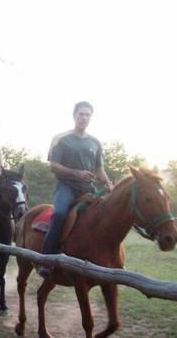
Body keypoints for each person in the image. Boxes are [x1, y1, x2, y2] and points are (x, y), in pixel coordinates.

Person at [37, 101, 113, 278]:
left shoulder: (95, 142)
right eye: (81, 114)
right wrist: (76, 173)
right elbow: (53, 165)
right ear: (74, 116)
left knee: (108, 214)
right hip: (66, 187)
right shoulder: (61, 138)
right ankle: (46, 260)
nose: (84, 117)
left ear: (90, 117)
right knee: (60, 213)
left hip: (88, 189)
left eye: (87, 114)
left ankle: (109, 258)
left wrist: (108, 183)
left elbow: (99, 169)